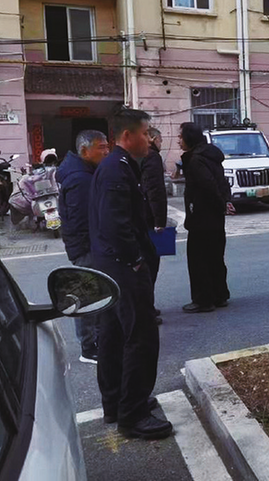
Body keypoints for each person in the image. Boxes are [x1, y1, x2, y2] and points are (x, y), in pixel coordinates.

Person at [89, 108, 171, 439]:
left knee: (113, 336)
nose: (150, 140)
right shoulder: (116, 170)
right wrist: (136, 260)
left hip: (112, 266)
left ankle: (117, 403)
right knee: (141, 337)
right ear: (127, 135)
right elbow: (115, 225)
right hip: (122, 268)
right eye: (145, 133)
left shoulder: (119, 166)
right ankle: (133, 414)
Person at [57, 129, 109, 364]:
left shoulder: (84, 172)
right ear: (85, 151)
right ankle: (88, 348)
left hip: (88, 247)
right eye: (101, 147)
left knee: (96, 293)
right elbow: (82, 221)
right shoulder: (80, 179)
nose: (106, 151)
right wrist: (90, 249)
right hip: (87, 249)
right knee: (87, 296)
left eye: (107, 146)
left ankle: (97, 340)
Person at [179, 122, 234, 313]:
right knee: (215, 257)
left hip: (201, 217)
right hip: (215, 217)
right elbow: (222, 182)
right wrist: (224, 203)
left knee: (199, 260)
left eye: (180, 137)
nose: (179, 141)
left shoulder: (196, 160)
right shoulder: (211, 156)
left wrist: (220, 204)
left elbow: (208, 185)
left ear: (189, 138)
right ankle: (220, 295)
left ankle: (203, 300)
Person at [141, 127, 168, 322]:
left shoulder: (139, 155)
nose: (161, 143)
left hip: (141, 215)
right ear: (152, 138)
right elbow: (155, 189)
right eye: (160, 139)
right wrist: (160, 220)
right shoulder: (152, 157)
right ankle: (146, 309)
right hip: (149, 217)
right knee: (150, 264)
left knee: (146, 264)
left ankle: (146, 306)